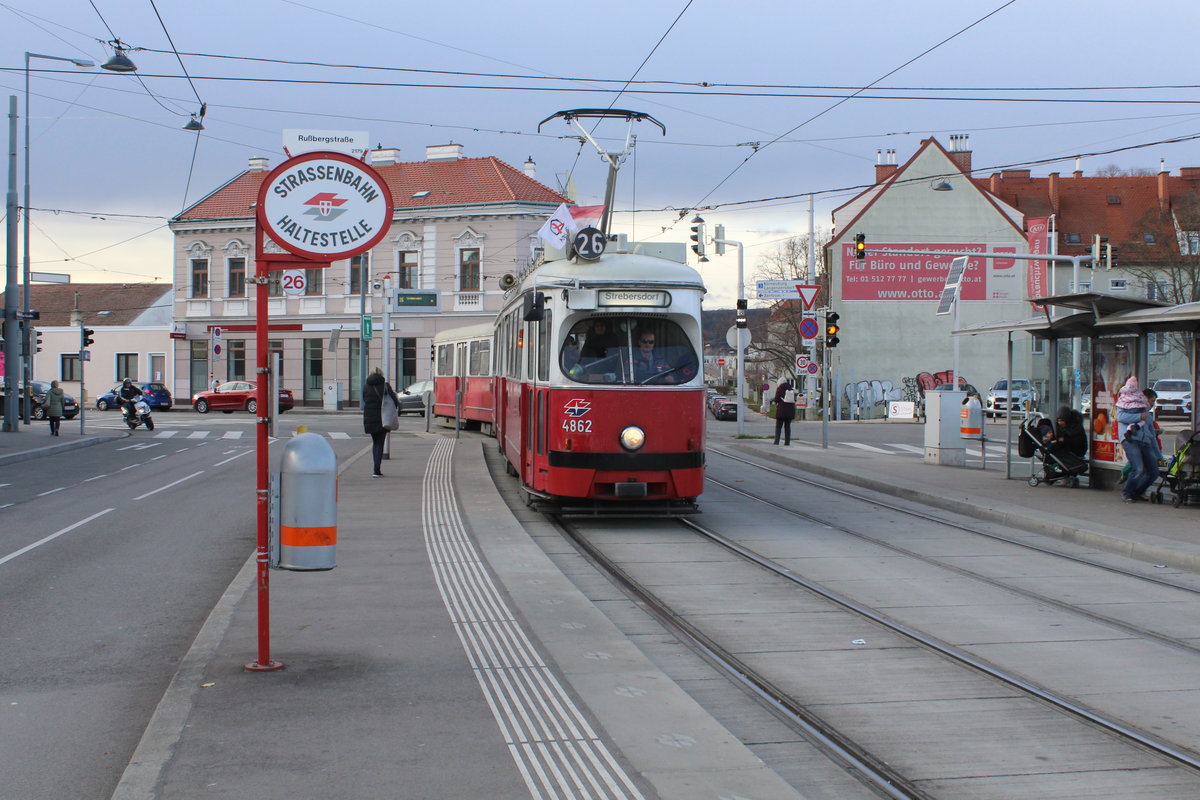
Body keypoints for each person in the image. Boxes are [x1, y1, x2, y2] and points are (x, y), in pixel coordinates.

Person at [1114, 375, 1162, 502]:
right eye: (1152, 401)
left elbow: (1152, 436)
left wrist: (1158, 456)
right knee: (1138, 468)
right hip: (1130, 440)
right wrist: (1140, 417)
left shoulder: (1148, 415)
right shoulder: (1127, 405)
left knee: (1154, 472)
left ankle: (1137, 492)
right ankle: (1127, 493)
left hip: (1144, 442)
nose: (1153, 404)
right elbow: (1121, 417)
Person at [362, 367, 399, 477]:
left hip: (369, 418)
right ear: (381, 374)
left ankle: (375, 469)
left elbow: (364, 400)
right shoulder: (385, 386)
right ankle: (376, 470)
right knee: (380, 443)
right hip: (383, 417)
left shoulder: (366, 386)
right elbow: (394, 401)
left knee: (375, 443)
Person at [770, 380, 797, 445]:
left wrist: (775, 402)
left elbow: (776, 399)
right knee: (787, 427)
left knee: (778, 427)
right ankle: (787, 442)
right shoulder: (791, 388)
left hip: (781, 411)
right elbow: (794, 399)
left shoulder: (780, 388)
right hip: (790, 411)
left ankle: (776, 441)